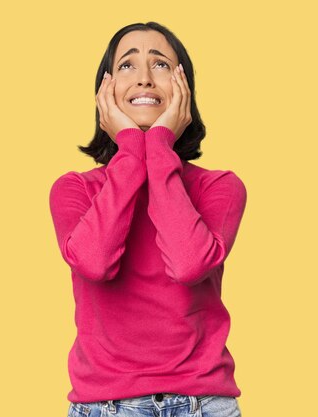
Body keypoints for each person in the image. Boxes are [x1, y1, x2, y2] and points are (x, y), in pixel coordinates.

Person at [49, 21, 247, 417]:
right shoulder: (73, 189)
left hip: (203, 404)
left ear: (183, 88)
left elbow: (188, 264)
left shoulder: (221, 187)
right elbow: (96, 262)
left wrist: (156, 144)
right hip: (103, 407)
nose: (143, 78)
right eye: (126, 66)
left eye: (160, 65)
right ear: (104, 92)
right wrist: (129, 148)